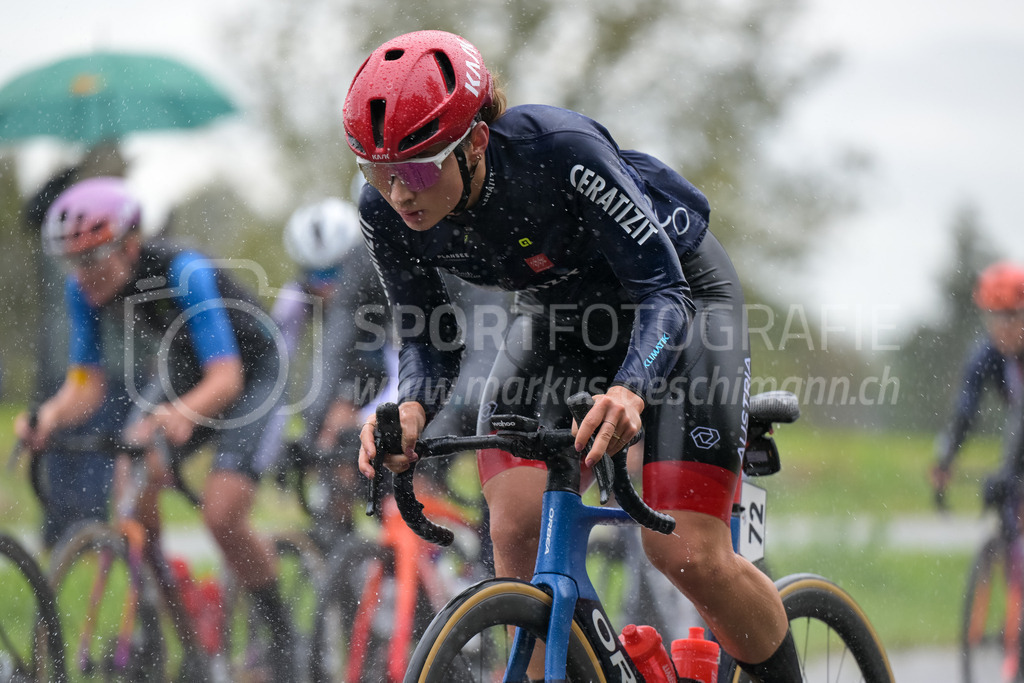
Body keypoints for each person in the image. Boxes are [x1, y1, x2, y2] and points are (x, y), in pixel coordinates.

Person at [350, 30, 799, 682]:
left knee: (684, 552)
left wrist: (631, 388)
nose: (399, 193)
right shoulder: (385, 213)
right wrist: (413, 408)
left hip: (679, 304)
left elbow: (664, 292)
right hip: (559, 319)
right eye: (377, 171)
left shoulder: (559, 153)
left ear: (475, 142)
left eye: (418, 169)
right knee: (516, 528)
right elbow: (429, 338)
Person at [12, 176, 297, 677]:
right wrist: (48, 417)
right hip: (188, 369)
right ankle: (185, 642)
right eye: (72, 262)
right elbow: (86, 385)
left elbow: (227, 379)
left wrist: (183, 413)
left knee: (222, 513)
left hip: (252, 372)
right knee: (132, 481)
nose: (82, 274)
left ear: (129, 244)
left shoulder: (184, 270)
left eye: (92, 258)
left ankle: (286, 641)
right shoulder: (83, 291)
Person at [22, 141, 132, 547]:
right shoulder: (71, 257)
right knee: (66, 447)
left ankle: (92, 534)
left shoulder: (124, 240)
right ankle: (67, 535)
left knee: (113, 461)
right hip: (72, 363)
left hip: (125, 370)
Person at [263, 197, 393, 537]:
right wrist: (276, 443)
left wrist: (369, 419)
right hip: (344, 374)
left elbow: (401, 363)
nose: (325, 286)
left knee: (346, 428)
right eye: (314, 275)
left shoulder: (383, 283)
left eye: (335, 272)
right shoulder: (295, 297)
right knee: (325, 438)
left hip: (386, 370)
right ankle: (339, 536)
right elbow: (275, 371)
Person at [931, 261, 1024, 501]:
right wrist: (945, 461)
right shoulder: (987, 354)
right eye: (993, 316)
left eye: (1011, 316)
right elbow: (965, 410)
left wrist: (1011, 471)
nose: (1003, 328)